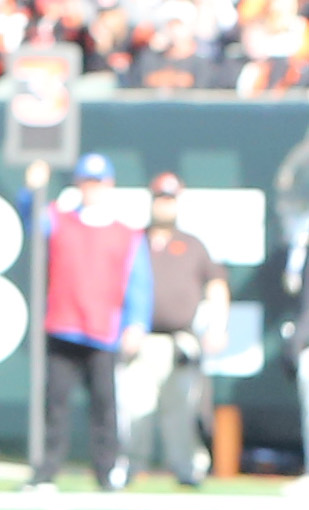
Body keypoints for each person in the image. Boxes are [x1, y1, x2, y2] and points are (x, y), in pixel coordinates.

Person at [23, 153, 150, 492]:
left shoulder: (126, 232)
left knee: (105, 408)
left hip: (102, 332)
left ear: (109, 185)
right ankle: (46, 471)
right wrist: (31, 189)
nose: (92, 189)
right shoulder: (60, 219)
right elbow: (33, 221)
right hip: (64, 326)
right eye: (86, 183)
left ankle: (107, 472)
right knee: (55, 405)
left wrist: (136, 323)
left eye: (98, 183)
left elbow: (139, 282)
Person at [122, 172, 228, 486]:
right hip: (141, 339)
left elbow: (217, 286)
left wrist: (217, 326)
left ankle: (186, 470)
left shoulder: (192, 245)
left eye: (170, 199)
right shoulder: (134, 241)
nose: (164, 205)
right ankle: (128, 468)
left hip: (180, 341)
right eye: (160, 198)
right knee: (135, 408)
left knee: (181, 411)